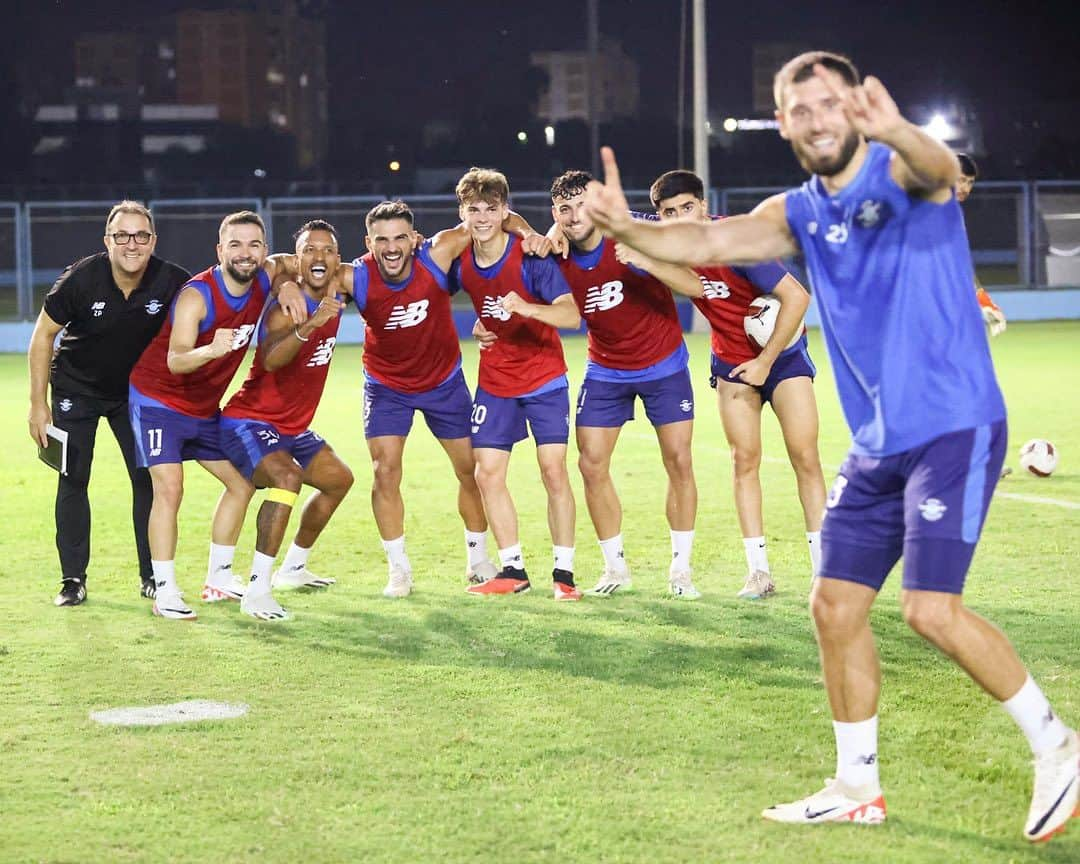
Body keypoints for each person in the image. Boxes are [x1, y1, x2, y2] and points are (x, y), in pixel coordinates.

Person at [582, 51, 1077, 842]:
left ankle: (1058, 745)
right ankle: (856, 784)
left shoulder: (907, 175)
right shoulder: (797, 212)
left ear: (853, 107)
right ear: (782, 123)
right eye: (797, 108)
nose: (814, 119)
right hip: (881, 443)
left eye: (827, 104)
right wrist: (624, 227)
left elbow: (944, 168)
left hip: (954, 422)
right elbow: (709, 243)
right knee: (834, 605)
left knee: (928, 610)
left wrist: (900, 131)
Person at [319, 199, 547, 598]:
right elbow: (295, 267)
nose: (392, 248)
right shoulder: (354, 277)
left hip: (444, 383)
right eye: (382, 240)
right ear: (368, 242)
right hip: (386, 386)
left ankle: (478, 561)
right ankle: (399, 570)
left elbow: (497, 217)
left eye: (399, 238)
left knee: (470, 470)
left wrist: (529, 234)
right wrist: (287, 283)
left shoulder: (439, 252)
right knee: (385, 472)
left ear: (414, 238)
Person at [646, 169, 826, 599]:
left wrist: (766, 361)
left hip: (781, 358)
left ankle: (824, 573)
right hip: (730, 361)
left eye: (687, 207)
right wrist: (552, 227)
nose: (679, 218)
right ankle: (758, 572)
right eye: (669, 212)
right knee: (743, 461)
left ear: (703, 206)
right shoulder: (668, 237)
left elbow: (799, 297)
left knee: (805, 456)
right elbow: (608, 216)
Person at [127, 211, 303, 620]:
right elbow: (175, 360)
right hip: (159, 403)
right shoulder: (197, 296)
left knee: (242, 484)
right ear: (219, 250)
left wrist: (289, 282)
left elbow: (289, 261)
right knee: (170, 488)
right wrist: (210, 349)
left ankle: (219, 577)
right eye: (236, 245)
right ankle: (166, 590)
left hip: (203, 408)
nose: (246, 253)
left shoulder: (264, 274)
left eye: (254, 244)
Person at [27, 201, 191, 606]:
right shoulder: (81, 279)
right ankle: (72, 580)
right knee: (73, 478)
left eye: (140, 235)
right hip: (74, 391)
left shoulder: (172, 281)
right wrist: (38, 404)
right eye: (122, 235)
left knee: (147, 481)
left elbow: (218, 297)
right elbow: (42, 336)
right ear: (107, 240)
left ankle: (152, 575)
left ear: (152, 240)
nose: (131, 244)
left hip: (135, 397)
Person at [547, 170, 700, 599]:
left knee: (679, 461)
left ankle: (681, 569)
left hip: (664, 365)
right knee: (590, 464)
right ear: (555, 214)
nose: (574, 216)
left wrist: (648, 262)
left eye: (582, 206)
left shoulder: (636, 233)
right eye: (564, 209)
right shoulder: (553, 253)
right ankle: (615, 567)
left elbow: (697, 287)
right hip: (606, 369)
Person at [452, 167, 584, 601]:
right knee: (487, 473)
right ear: (463, 213)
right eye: (474, 209)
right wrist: (477, 326)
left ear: (505, 211)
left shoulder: (530, 256)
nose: (483, 217)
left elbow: (570, 315)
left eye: (492, 209)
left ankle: (564, 575)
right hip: (495, 381)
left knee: (553, 473)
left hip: (544, 379)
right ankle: (513, 569)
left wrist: (527, 309)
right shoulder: (462, 262)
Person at [217, 220, 354, 620]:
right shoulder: (284, 309)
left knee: (338, 480)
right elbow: (273, 360)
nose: (319, 256)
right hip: (248, 420)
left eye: (327, 250)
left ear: (337, 260)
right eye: (310, 249)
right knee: (288, 478)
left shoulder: (337, 290)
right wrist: (309, 323)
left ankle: (293, 568)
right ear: (298, 260)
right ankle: (257, 589)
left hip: (291, 428)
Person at [955, 153, 1007, 336]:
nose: (965, 188)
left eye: (970, 183)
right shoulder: (925, 208)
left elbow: (960, 264)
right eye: (961, 180)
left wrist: (984, 301)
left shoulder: (953, 215)